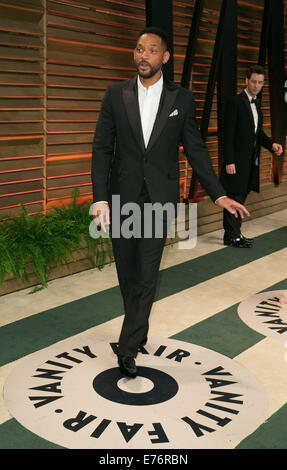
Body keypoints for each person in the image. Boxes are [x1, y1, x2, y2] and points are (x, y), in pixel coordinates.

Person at [91, 27, 250, 378]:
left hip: (158, 202)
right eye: (138, 49)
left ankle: (128, 346)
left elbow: (195, 149)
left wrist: (219, 193)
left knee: (147, 274)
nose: (143, 55)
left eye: (151, 50)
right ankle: (139, 328)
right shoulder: (115, 95)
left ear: (164, 57)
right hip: (122, 200)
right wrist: (100, 200)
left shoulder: (182, 99)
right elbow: (102, 149)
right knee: (128, 274)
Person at [220, 64, 283, 248]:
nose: (256, 85)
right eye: (253, 81)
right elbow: (228, 134)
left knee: (241, 197)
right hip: (236, 162)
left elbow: (258, 134)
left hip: (250, 162)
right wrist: (229, 160)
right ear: (246, 81)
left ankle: (235, 233)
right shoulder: (236, 102)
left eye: (260, 82)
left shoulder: (257, 104)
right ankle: (231, 236)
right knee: (235, 197)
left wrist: (272, 145)